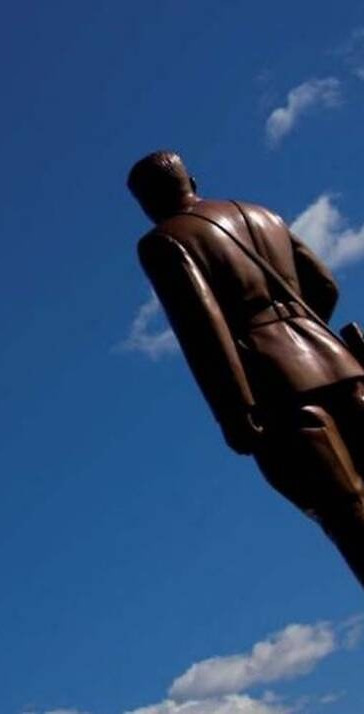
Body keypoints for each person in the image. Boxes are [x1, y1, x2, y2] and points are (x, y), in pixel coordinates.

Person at [128, 150, 364, 588]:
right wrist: (301, 329)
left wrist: (235, 408)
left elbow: (204, 327)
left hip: (279, 384)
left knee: (347, 513)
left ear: (146, 203)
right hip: (341, 366)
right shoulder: (263, 215)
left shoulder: (165, 240)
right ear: (192, 181)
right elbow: (325, 285)